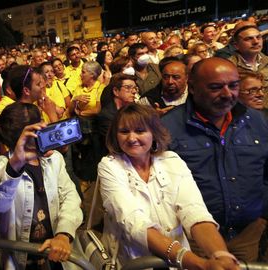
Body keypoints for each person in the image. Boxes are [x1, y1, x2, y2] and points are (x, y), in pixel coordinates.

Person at [98, 103, 238, 270]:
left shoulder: (172, 160)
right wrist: (198, 263)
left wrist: (221, 255)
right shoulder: (110, 166)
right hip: (134, 261)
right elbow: (134, 222)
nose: (132, 138)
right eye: (124, 131)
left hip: (180, 262)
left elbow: (193, 210)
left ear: (154, 133)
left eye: (140, 130)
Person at [161, 57, 268, 262]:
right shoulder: (168, 128)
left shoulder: (256, 120)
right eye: (216, 87)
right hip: (194, 240)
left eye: (233, 86)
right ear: (192, 88)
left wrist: (262, 214)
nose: (227, 94)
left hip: (247, 234)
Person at [0, 102, 82, 270]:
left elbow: (70, 196)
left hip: (55, 253)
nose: (44, 128)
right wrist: (16, 164)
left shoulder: (54, 159)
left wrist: (64, 234)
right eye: (37, 128)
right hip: (20, 259)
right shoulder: (1, 165)